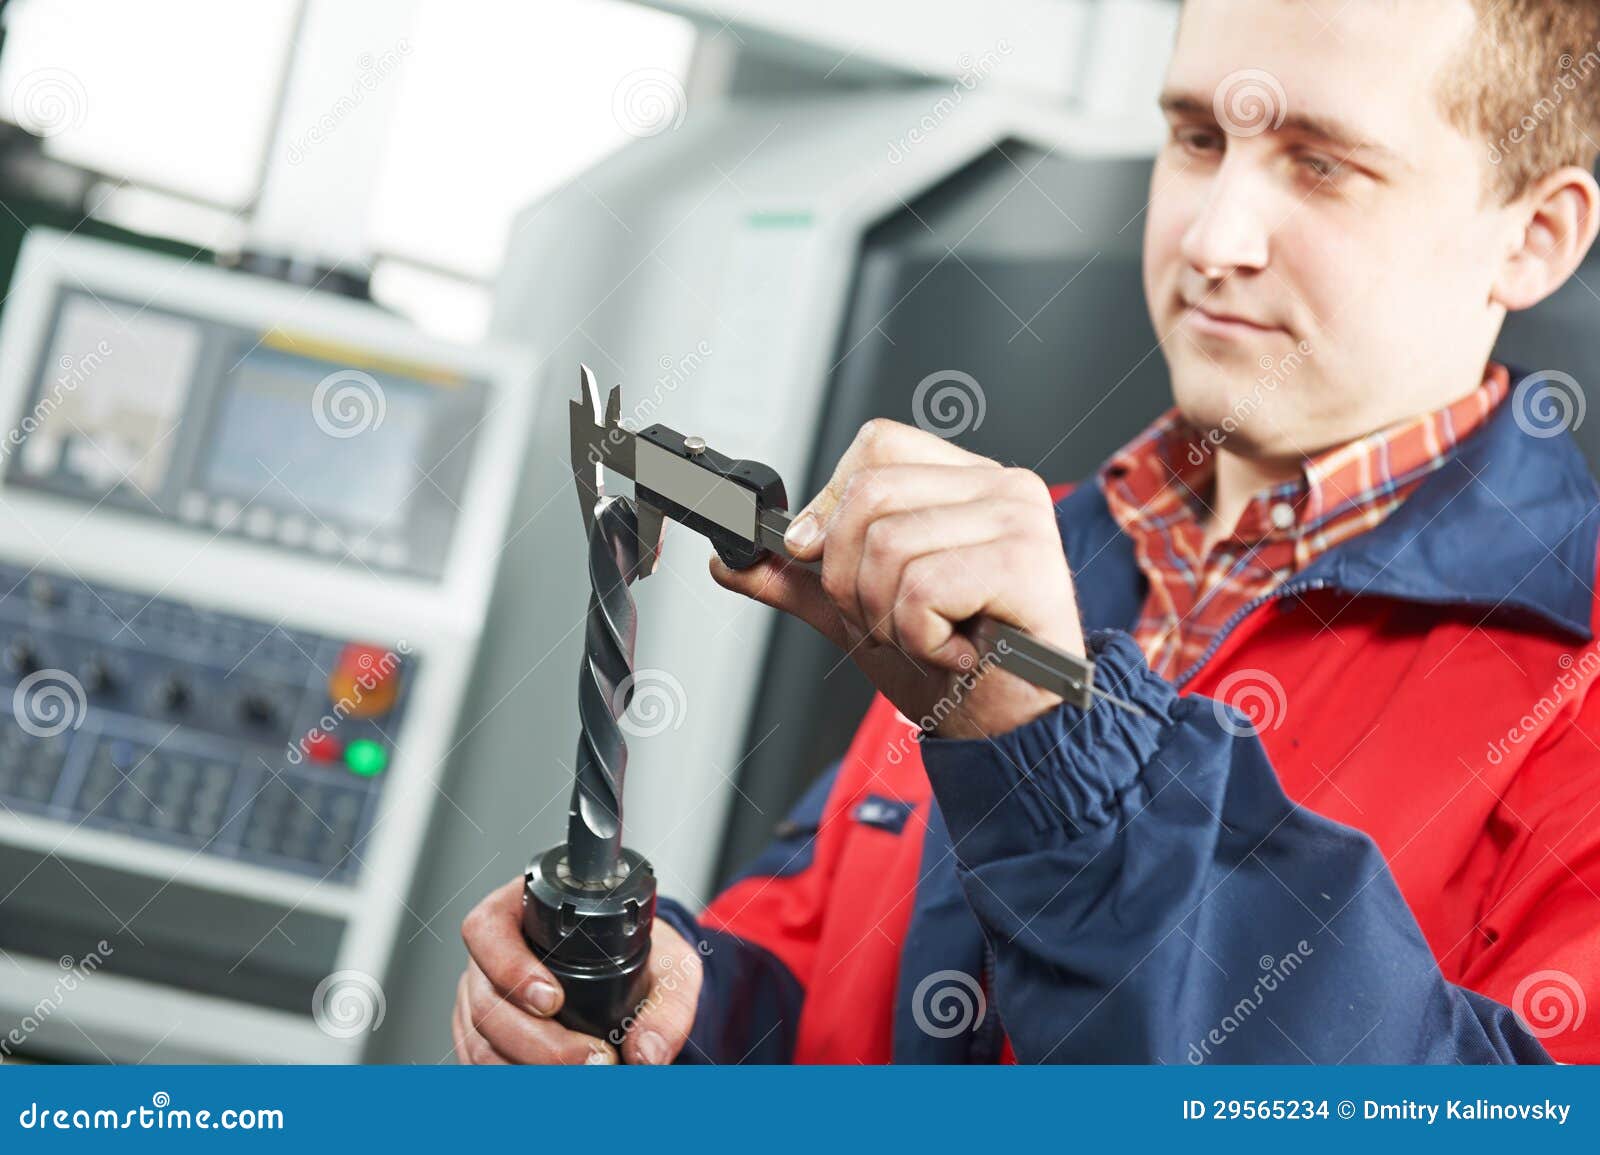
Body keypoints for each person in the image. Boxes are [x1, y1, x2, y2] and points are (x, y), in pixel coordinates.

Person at [453, 0, 1600, 1064]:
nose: (1213, 239)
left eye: (1321, 165)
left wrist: (1062, 770)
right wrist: (675, 1012)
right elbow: (821, 982)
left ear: (1534, 237)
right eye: (1197, 139)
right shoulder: (1032, 554)